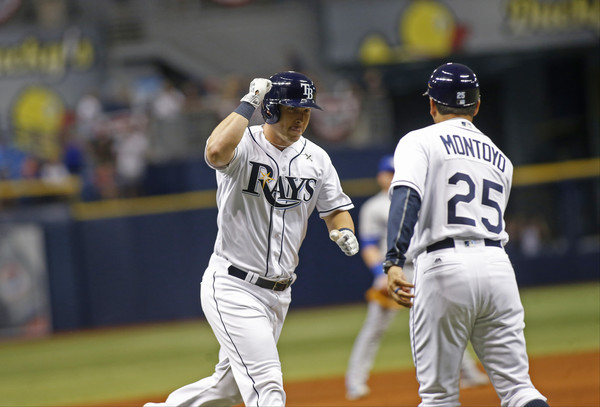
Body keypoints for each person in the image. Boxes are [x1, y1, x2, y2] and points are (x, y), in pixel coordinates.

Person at [144, 71, 359, 407]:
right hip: (234, 287)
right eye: (293, 109)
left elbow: (335, 209)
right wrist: (249, 102)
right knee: (267, 388)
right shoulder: (244, 144)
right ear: (271, 110)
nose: (301, 118)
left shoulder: (317, 158)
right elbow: (215, 151)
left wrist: (343, 230)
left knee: (226, 389)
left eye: (306, 111)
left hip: (279, 293)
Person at [383, 62, 549, 407]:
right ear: (476, 105)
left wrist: (394, 259)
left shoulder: (419, 140)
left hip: (444, 265)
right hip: (497, 266)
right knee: (519, 389)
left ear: (432, 105)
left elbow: (406, 195)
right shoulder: (501, 158)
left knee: (439, 396)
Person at [344, 155, 488, 400]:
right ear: (380, 176)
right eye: (387, 172)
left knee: (442, 321)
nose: (389, 177)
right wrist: (380, 274)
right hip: (392, 271)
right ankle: (355, 382)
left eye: (394, 172)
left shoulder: (417, 199)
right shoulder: (373, 207)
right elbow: (368, 245)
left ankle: (468, 372)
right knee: (374, 328)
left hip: (423, 266)